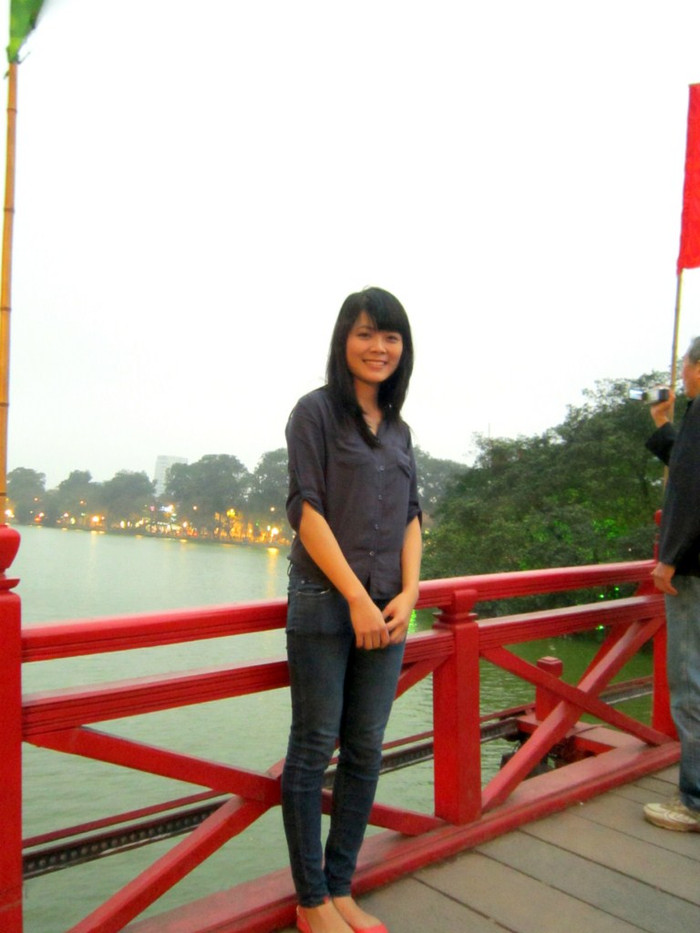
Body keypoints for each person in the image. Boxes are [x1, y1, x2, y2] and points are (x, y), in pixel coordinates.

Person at [281, 287, 422, 933]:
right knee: (314, 747)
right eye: (366, 333)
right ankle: (311, 901)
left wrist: (409, 593)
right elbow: (305, 509)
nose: (378, 347)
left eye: (390, 336)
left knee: (365, 747)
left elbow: (411, 516)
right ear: (344, 340)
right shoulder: (314, 412)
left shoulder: (399, 428)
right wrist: (356, 598)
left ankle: (341, 888)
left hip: (388, 607)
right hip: (324, 601)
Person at [643, 336, 700, 832]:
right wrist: (663, 423)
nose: (681, 375)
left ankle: (695, 800)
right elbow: (686, 463)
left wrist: (669, 558)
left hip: (694, 570)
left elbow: (688, 490)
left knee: (689, 682)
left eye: (684, 365)